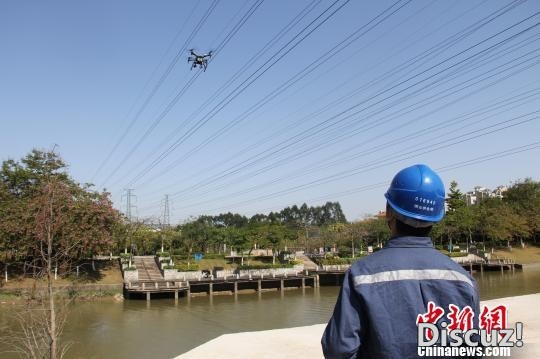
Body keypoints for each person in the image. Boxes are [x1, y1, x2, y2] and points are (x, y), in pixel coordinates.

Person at [321, 164, 480, 358]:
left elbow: (338, 349)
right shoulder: (464, 279)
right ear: (436, 217)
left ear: (389, 212)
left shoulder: (361, 275)